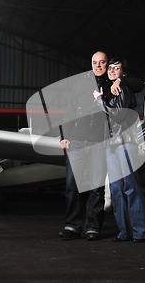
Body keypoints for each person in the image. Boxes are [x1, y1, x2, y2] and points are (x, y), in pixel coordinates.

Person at [93, 57, 145, 242]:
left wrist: (101, 103)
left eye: (116, 69)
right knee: (116, 190)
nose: (111, 70)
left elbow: (117, 116)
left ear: (122, 73)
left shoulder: (123, 88)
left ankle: (139, 232)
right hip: (111, 145)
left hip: (125, 143)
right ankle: (124, 231)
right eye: (110, 68)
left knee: (130, 188)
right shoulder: (108, 91)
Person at [58, 51, 110, 241]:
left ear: (107, 64)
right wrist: (64, 136)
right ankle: (72, 225)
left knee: (97, 187)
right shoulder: (80, 85)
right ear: (91, 64)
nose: (98, 66)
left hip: (99, 142)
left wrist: (120, 81)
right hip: (77, 141)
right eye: (95, 62)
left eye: (102, 62)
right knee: (73, 186)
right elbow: (70, 111)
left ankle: (93, 227)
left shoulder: (112, 84)